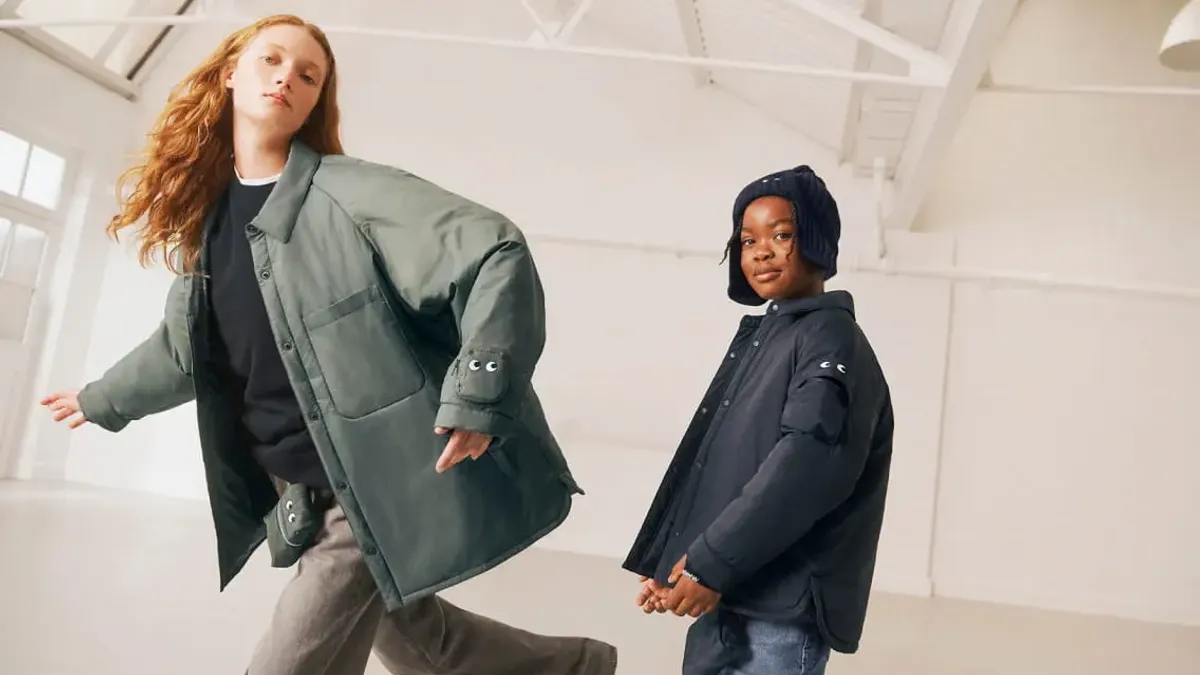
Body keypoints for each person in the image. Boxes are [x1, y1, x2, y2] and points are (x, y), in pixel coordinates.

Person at [39, 14, 617, 675]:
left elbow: (494, 249)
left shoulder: (349, 193)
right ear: (231, 74)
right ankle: (573, 668)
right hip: (301, 489)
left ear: (315, 100)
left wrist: (480, 391)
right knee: (424, 641)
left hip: (367, 485)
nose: (287, 76)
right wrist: (100, 399)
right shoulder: (213, 223)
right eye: (272, 61)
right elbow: (181, 351)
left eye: (307, 74)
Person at [621, 166, 894, 675]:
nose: (761, 250)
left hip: (780, 611)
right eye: (748, 239)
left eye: (781, 235)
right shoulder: (771, 339)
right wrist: (680, 564)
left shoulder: (829, 340)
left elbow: (804, 468)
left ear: (816, 239)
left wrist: (709, 563)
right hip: (733, 592)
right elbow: (729, 470)